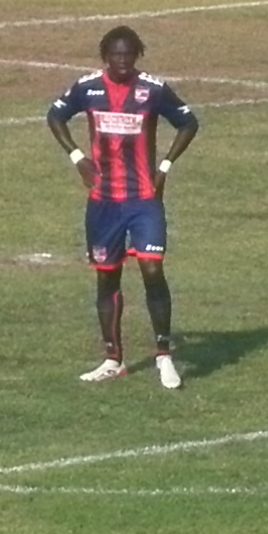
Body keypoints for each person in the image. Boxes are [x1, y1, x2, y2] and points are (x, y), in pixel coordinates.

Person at [49, 26, 199, 388]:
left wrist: (164, 168)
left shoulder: (152, 90)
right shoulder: (88, 88)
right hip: (103, 203)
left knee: (151, 270)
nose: (122, 61)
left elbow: (188, 122)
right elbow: (55, 116)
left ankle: (164, 356)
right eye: (115, 55)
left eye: (128, 55)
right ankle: (113, 359)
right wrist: (77, 157)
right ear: (105, 56)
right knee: (107, 276)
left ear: (137, 55)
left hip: (143, 199)